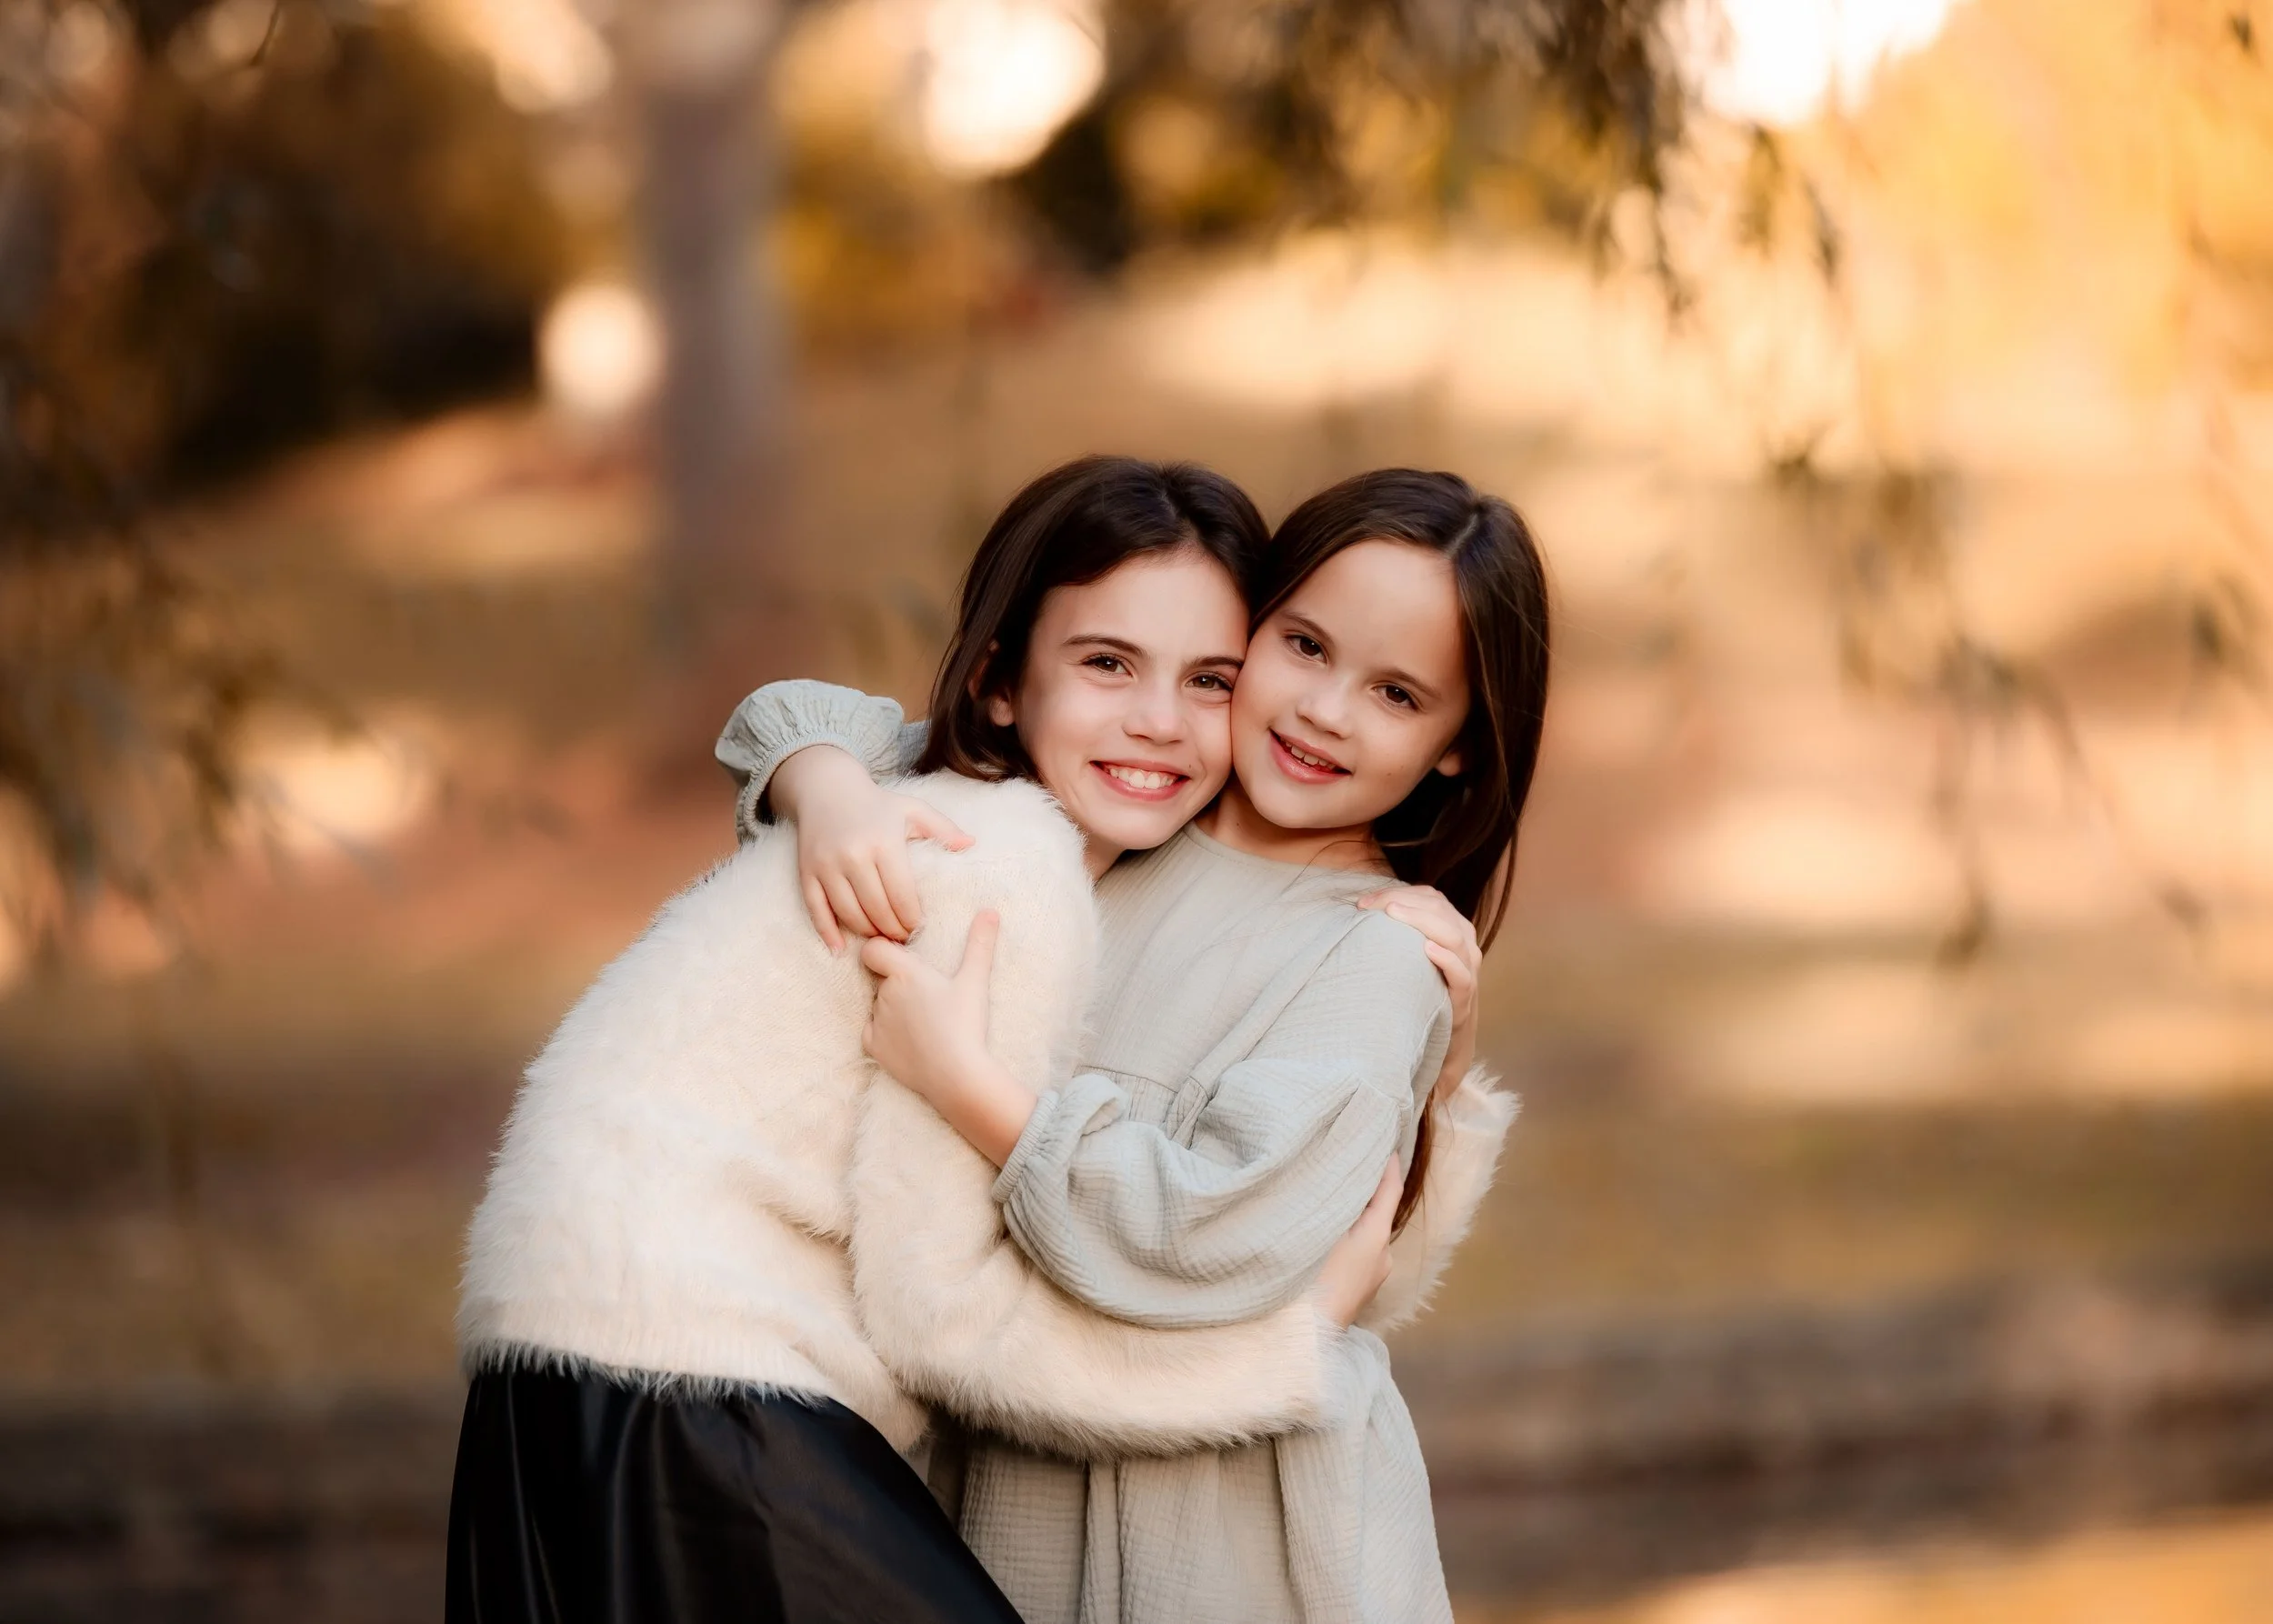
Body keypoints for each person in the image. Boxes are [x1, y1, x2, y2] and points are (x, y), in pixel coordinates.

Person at [446, 457, 1407, 1624]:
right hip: (684, 1392)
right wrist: (1282, 1353)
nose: (1159, 720)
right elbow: (950, 1320)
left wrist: (819, 775)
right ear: (1000, 683)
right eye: (1108, 663)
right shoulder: (993, 882)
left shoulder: (949, 807)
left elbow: (806, 722)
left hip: (577, 1377)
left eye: (1208, 678)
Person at [725, 465, 1546, 1623]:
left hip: (1211, 1521)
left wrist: (970, 1087)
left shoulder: (1373, 954)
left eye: (1399, 694)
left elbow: (1206, 1229)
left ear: (1460, 745)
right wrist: (828, 791)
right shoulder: (1119, 815)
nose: (1325, 709)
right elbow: (794, 720)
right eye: (1304, 646)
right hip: (998, 1461)